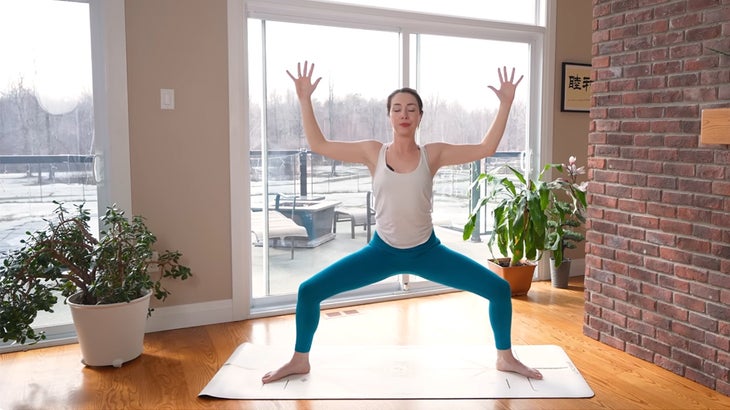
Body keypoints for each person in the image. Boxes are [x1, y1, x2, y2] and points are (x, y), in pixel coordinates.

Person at [262, 61, 543, 384]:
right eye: (397, 108)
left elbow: (485, 148)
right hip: (381, 252)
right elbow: (319, 145)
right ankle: (300, 360)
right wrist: (304, 99)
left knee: (498, 288)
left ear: (420, 116)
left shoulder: (432, 154)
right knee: (308, 291)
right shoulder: (372, 152)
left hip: (427, 252)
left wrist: (505, 104)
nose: (404, 114)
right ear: (389, 116)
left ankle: (505, 358)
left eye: (411, 108)